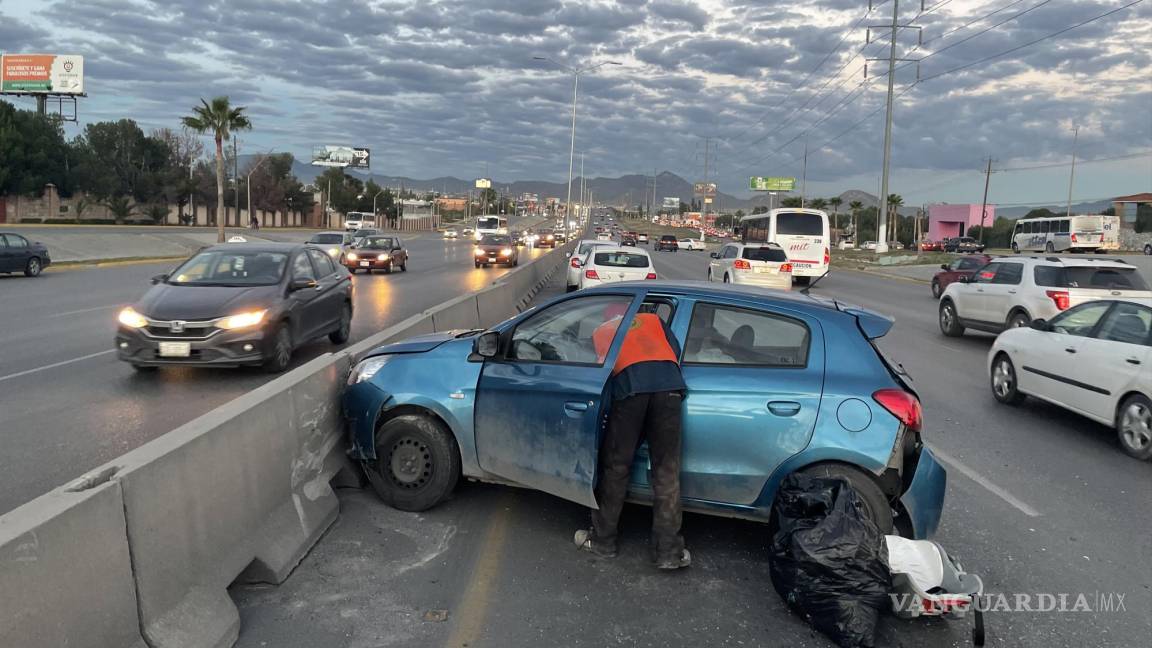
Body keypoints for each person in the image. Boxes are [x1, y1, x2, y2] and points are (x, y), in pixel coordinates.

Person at [574, 302, 691, 570]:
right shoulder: (652, 320)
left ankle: (603, 543)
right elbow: (674, 350)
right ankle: (668, 553)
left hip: (631, 392)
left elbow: (600, 370)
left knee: (616, 467)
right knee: (666, 472)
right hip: (670, 389)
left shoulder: (602, 331)